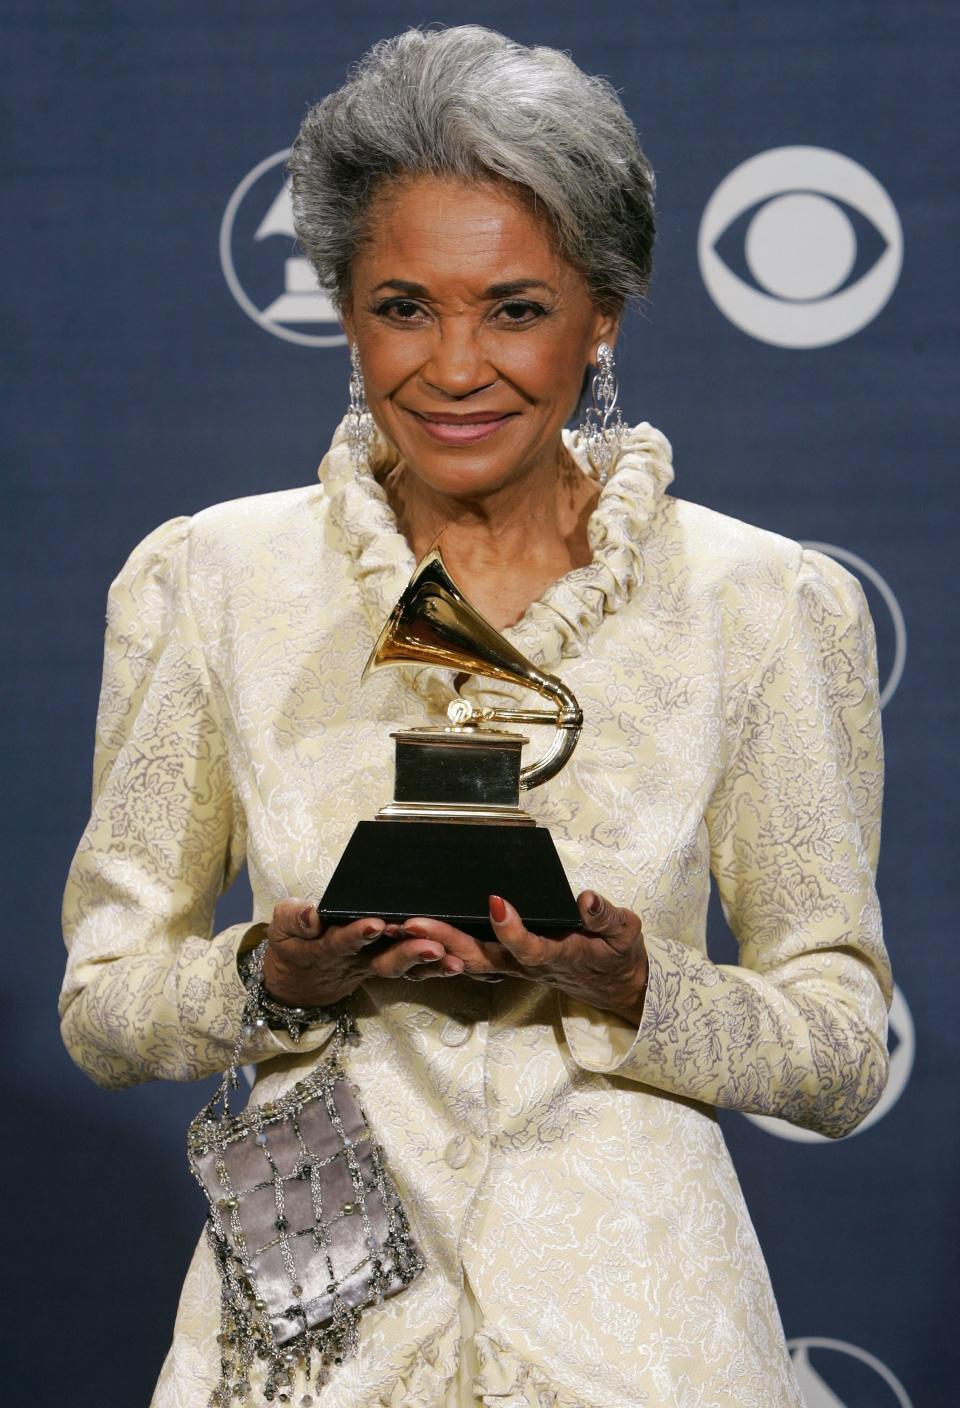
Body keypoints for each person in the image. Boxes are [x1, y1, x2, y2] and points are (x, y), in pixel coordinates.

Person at [60, 25, 892, 1408]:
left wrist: (631, 987)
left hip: (641, 1345)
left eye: (514, 308)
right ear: (343, 309)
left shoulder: (755, 602)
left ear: (605, 311)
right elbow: (103, 1005)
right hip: (315, 1342)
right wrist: (270, 978)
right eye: (404, 305)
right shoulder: (214, 582)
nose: (455, 367)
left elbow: (842, 1048)